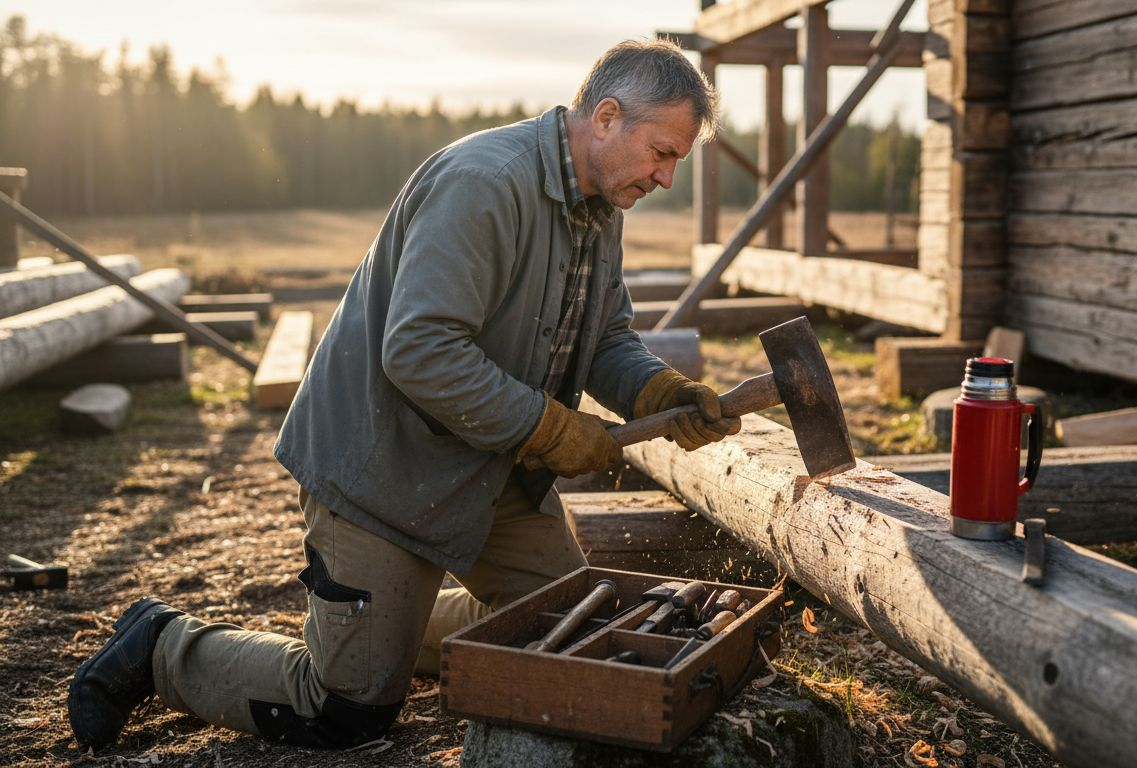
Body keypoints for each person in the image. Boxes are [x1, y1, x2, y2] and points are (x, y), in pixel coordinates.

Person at [68, 38, 741, 751]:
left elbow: (604, 338)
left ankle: (390, 622)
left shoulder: (599, 207)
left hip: (485, 464)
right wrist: (550, 431)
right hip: (383, 465)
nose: (667, 177)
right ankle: (162, 645)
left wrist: (656, 390)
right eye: (663, 153)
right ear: (606, 117)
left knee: (581, 628)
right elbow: (420, 351)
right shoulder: (486, 184)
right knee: (343, 709)